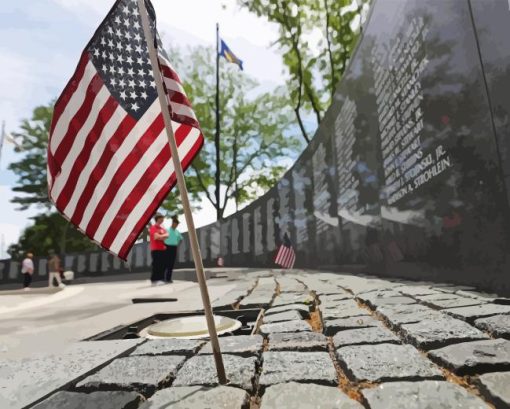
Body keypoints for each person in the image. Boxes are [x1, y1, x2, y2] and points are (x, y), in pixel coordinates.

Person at [149, 213, 168, 285]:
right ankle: (154, 280)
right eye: (161, 218)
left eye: (163, 218)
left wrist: (161, 236)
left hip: (163, 249)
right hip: (155, 249)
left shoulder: (162, 229)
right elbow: (156, 237)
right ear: (158, 219)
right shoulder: (153, 228)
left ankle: (161, 279)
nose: (163, 219)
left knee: (163, 264)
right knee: (157, 265)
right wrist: (162, 236)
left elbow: (167, 235)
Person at [164, 215, 183, 283]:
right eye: (175, 224)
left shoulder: (177, 232)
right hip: (166, 247)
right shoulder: (167, 230)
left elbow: (181, 239)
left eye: (177, 225)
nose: (176, 225)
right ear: (172, 223)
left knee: (171, 264)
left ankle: (168, 279)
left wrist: (177, 243)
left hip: (174, 248)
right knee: (165, 263)